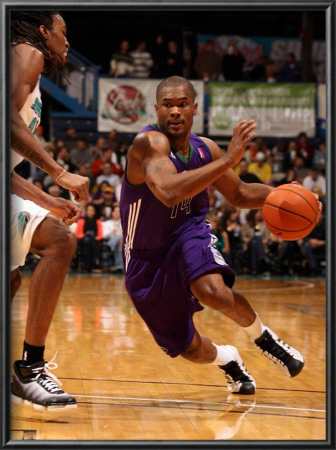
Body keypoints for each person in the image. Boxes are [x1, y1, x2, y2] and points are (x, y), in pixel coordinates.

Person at [119, 76, 305, 396]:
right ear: (156, 110)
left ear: (194, 108)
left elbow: (242, 193)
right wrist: (230, 160)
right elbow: (166, 192)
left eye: (181, 105)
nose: (175, 112)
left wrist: (284, 195)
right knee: (187, 347)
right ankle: (228, 359)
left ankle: (264, 338)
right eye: (167, 105)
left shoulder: (207, 149)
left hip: (188, 232)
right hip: (145, 258)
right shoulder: (147, 144)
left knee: (213, 291)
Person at [10, 11, 90, 409]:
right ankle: (30, 368)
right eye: (63, 32)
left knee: (11, 279)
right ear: (44, 32)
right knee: (59, 242)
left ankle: (27, 371)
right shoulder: (28, 53)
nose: (67, 41)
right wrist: (59, 173)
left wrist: (47, 201)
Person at [74, 203, 103, 273]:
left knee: (89, 239)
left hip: (94, 240)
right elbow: (77, 234)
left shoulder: (98, 221)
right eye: (89, 210)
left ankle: (87, 265)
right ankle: (95, 261)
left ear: (95, 212)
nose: (90, 212)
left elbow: (100, 235)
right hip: (82, 239)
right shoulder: (81, 221)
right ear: (86, 211)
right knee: (87, 239)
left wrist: (94, 238)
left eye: (92, 210)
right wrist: (85, 236)